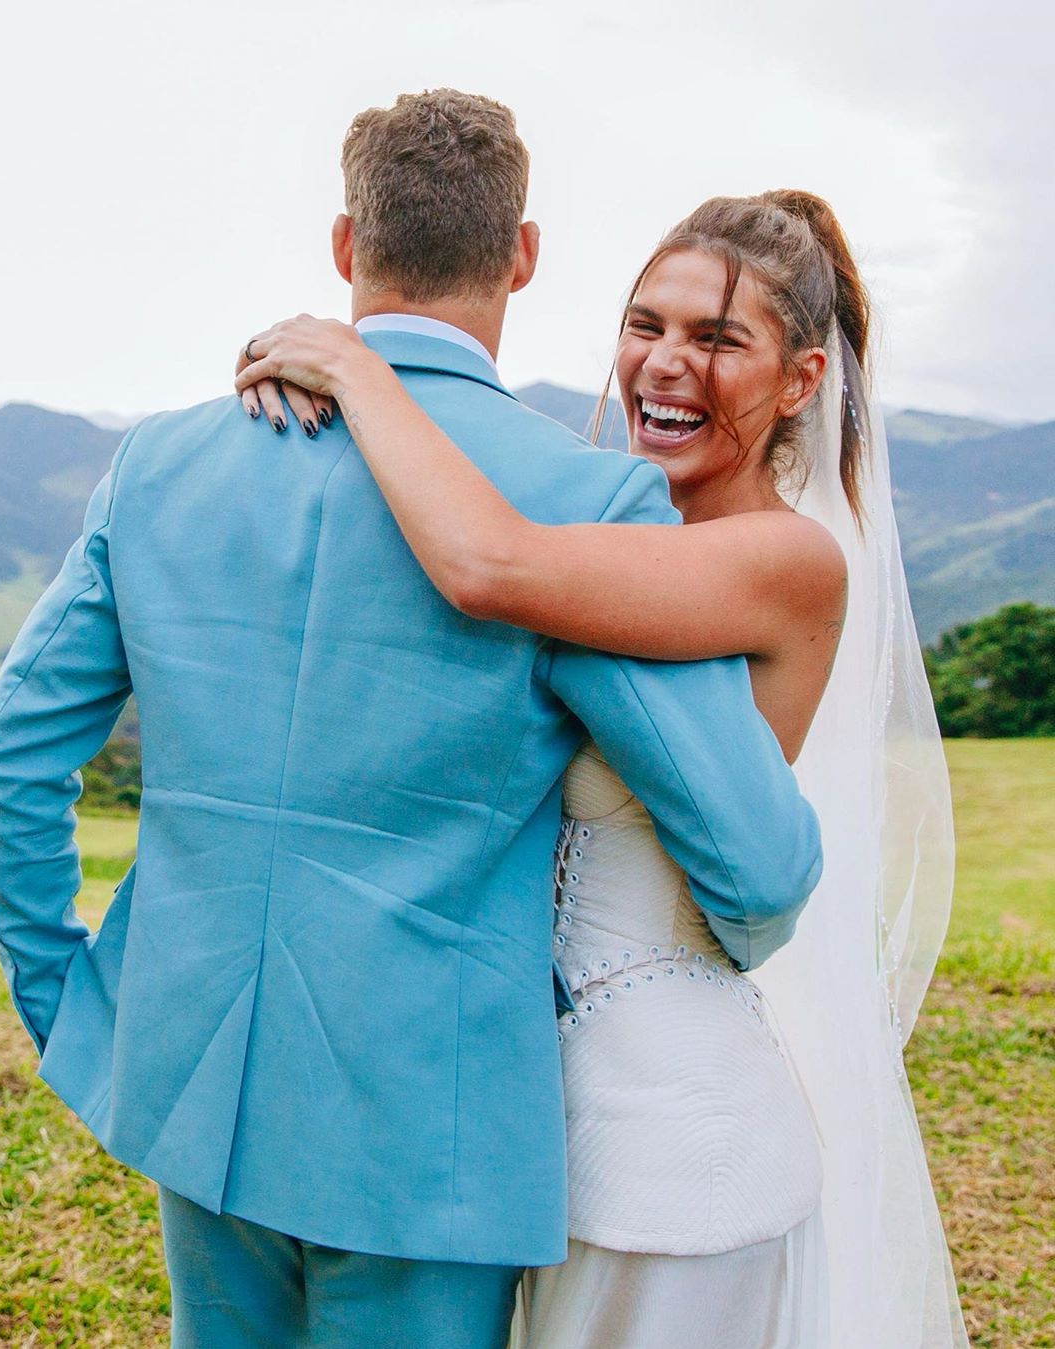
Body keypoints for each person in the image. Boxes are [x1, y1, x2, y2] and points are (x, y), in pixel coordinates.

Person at [0, 91, 823, 1349]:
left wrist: (72, 1000)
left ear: (344, 243)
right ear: (521, 256)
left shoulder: (158, 461)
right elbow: (757, 865)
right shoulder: (582, 497)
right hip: (432, 1141)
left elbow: (11, 755)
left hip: (191, 1082)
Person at [236, 192, 968, 1347]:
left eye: (719, 339)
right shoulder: (618, 527)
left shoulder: (779, 558)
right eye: (647, 323)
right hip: (539, 1133)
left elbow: (485, 560)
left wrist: (359, 364)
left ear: (803, 379)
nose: (666, 363)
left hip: (671, 1149)